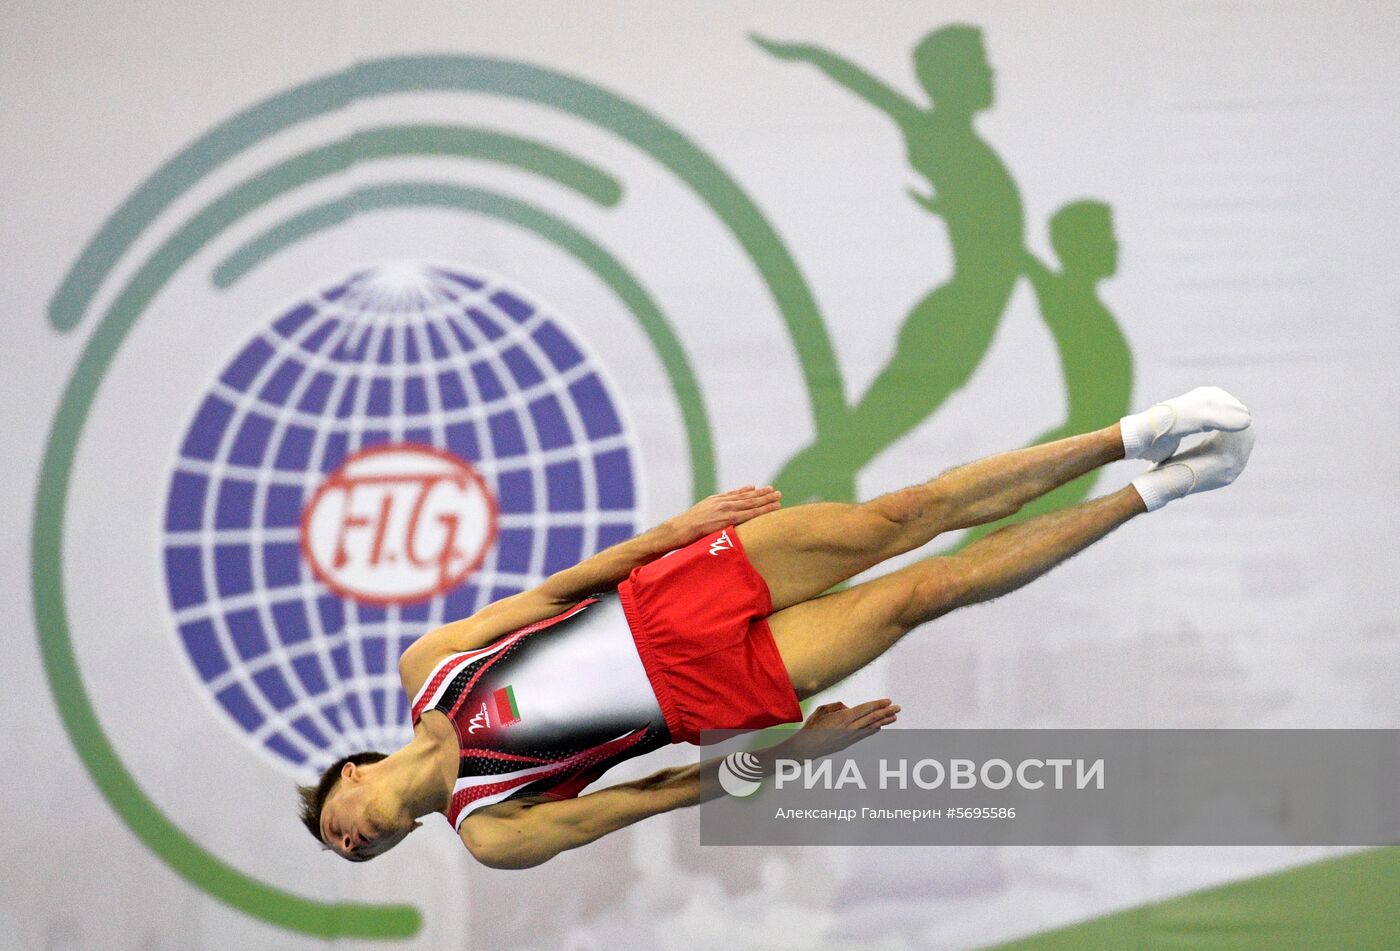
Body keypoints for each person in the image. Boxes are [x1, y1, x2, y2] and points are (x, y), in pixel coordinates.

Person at [298, 386, 1254, 868]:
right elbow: (660, 795)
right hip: (696, 697)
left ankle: (1135, 433)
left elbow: (557, 592)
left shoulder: (425, 667)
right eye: (354, 856)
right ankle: (1155, 489)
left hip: (662, 601)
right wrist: (795, 756)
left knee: (898, 517)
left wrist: (672, 532)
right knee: (929, 590)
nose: (351, 847)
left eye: (334, 833)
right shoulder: (489, 832)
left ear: (348, 776)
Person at [755, 26, 1026, 502]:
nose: (991, 71)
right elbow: (882, 97)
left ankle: (750, 535)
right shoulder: (940, 138)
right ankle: (742, 536)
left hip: (967, 324)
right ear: (948, 78)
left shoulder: (963, 147)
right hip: (956, 324)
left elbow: (1004, 246)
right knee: (850, 447)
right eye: (977, 62)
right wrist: (815, 53)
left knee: (850, 446)